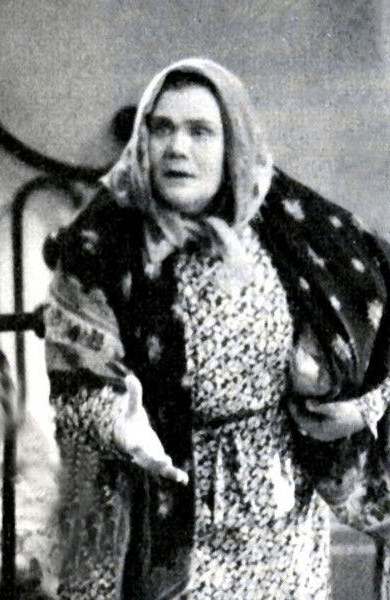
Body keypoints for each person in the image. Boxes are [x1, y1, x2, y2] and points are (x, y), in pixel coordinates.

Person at [43, 58, 390, 599]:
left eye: (200, 131)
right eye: (161, 128)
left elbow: (373, 335)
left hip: (280, 529)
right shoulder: (102, 246)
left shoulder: (291, 231)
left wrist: (360, 408)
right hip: (159, 520)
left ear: (234, 145)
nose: (176, 148)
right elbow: (78, 380)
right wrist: (122, 428)